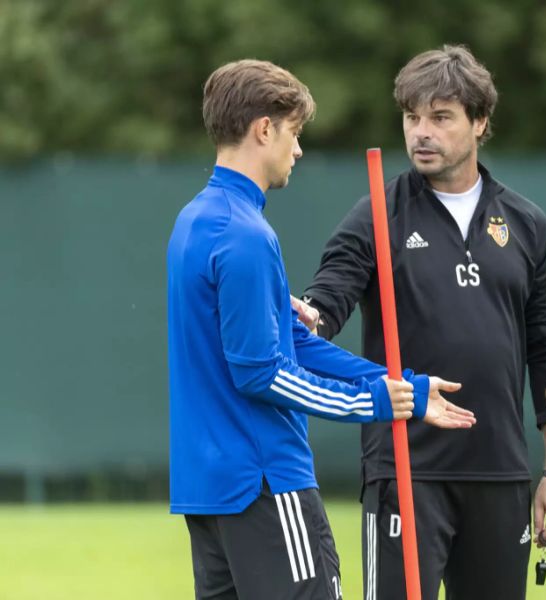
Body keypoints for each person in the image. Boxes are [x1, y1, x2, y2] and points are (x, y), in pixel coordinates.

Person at [166, 59, 475, 600]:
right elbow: (262, 372)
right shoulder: (245, 236)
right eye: (294, 133)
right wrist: (373, 403)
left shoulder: (195, 220)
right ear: (265, 129)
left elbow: (295, 345)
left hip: (210, 490)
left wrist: (402, 385)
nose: (299, 150)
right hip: (264, 481)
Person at [300, 45, 546, 600]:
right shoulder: (379, 212)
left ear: (479, 123)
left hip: (499, 472)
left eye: (440, 117)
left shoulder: (527, 225)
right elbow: (329, 297)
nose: (421, 132)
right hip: (406, 468)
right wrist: (310, 314)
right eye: (412, 117)